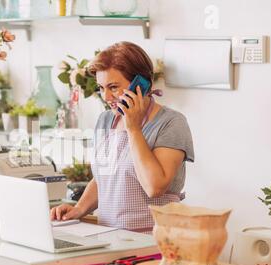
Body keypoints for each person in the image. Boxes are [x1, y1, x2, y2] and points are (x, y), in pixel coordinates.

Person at [50, 41, 195, 233]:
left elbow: (154, 186)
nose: (106, 97)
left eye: (113, 87)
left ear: (141, 85)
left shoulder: (171, 123)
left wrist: (133, 129)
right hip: (110, 238)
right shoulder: (105, 120)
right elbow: (104, 178)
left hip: (155, 241)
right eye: (101, 88)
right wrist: (79, 209)